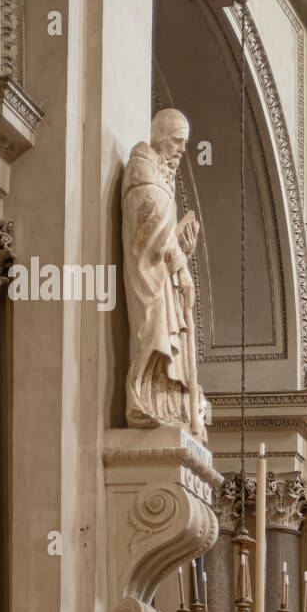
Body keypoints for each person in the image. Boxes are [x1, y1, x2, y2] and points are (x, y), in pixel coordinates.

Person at [122, 108, 204, 437]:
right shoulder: (142, 166)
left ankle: (164, 402)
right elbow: (150, 221)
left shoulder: (161, 173)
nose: (183, 150)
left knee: (167, 336)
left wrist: (183, 246)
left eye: (185, 143)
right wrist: (179, 262)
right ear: (161, 137)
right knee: (152, 331)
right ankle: (140, 400)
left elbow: (164, 229)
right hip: (150, 275)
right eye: (178, 141)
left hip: (163, 271)